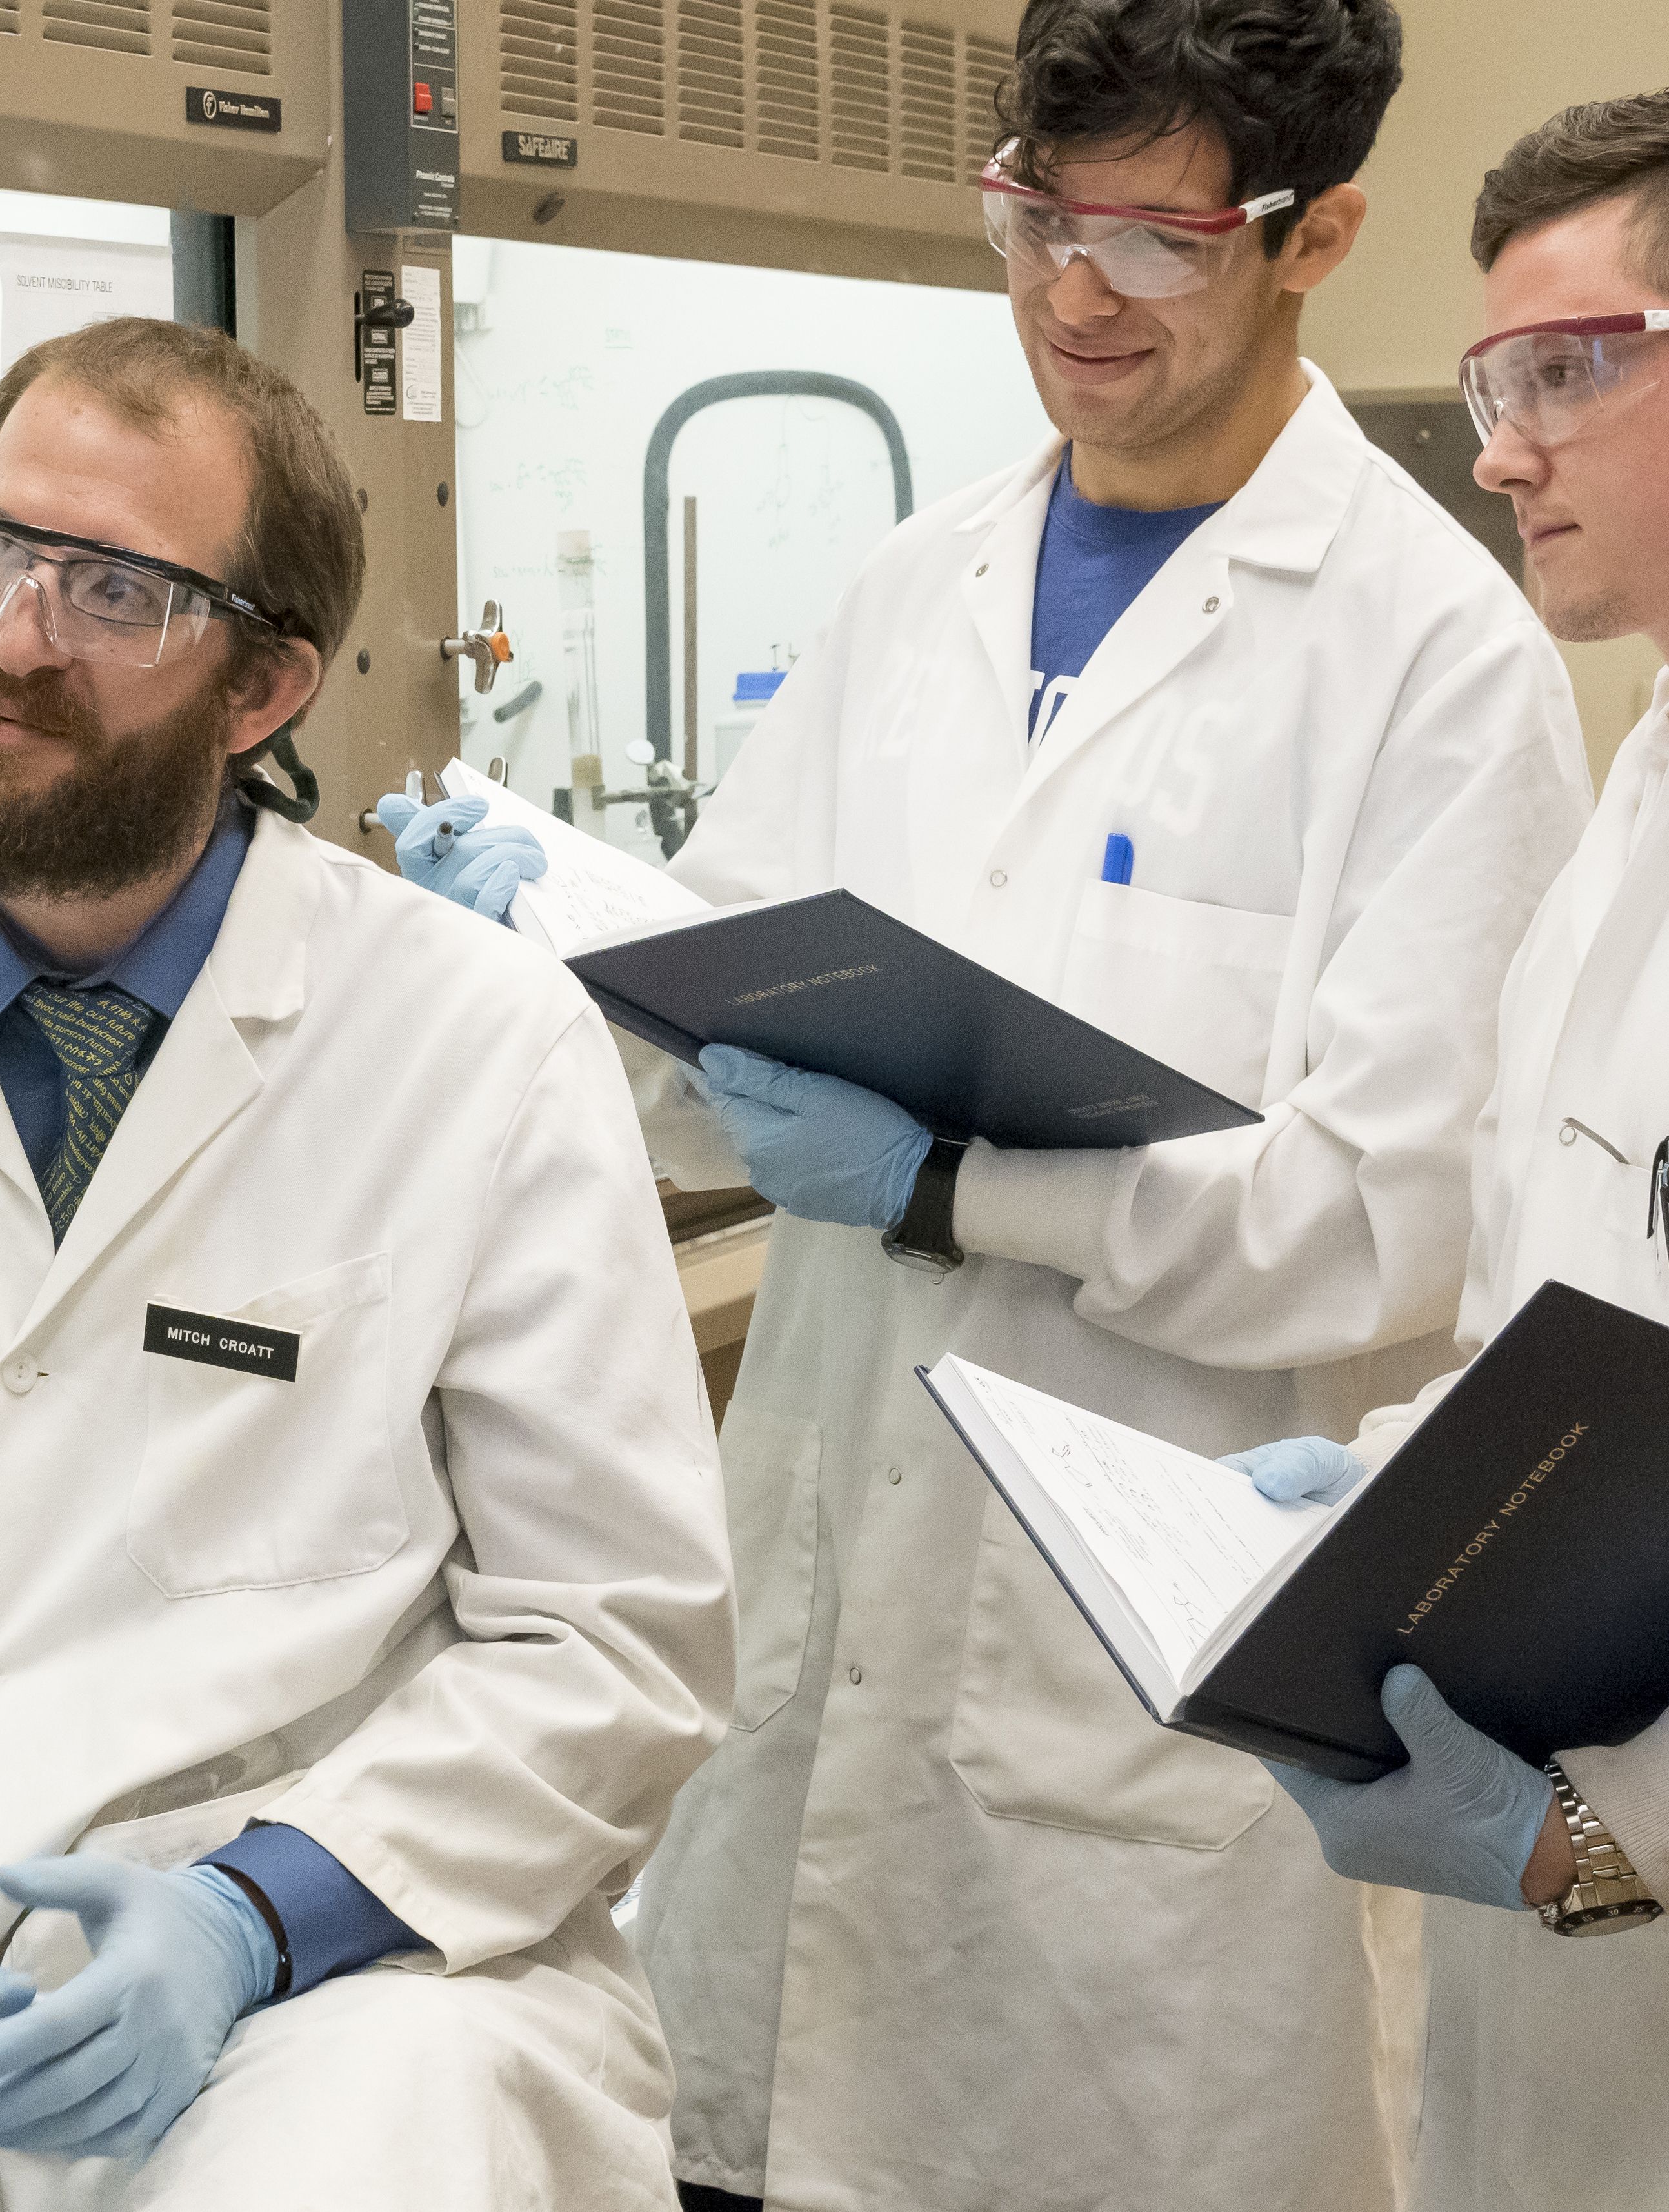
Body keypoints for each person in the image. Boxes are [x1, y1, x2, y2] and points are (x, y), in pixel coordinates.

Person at [389, 3, 1592, 2207]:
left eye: (1150, 239)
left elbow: (1385, 1219)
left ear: (1315, 231)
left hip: (1141, 1767)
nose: (1067, 297)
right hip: (815, 1644)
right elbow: (718, 1053)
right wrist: (550, 951)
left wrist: (955, 1185)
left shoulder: (1438, 662)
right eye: (1035, 217)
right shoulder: (903, 587)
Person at [0, 316, 736, 2212]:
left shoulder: (475, 1044)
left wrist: (249, 1917)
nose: (12, 635)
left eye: (112, 589)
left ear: (261, 684)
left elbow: (611, 1638)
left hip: (350, 1978)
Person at [1223, 89, 1669, 2212]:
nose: (1497, 448)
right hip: (1559, 2023)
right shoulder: (1634, 801)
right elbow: (1562, 1317)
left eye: (1567, 370)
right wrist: (1402, 1469)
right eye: (1494, 382)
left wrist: (1594, 1852)